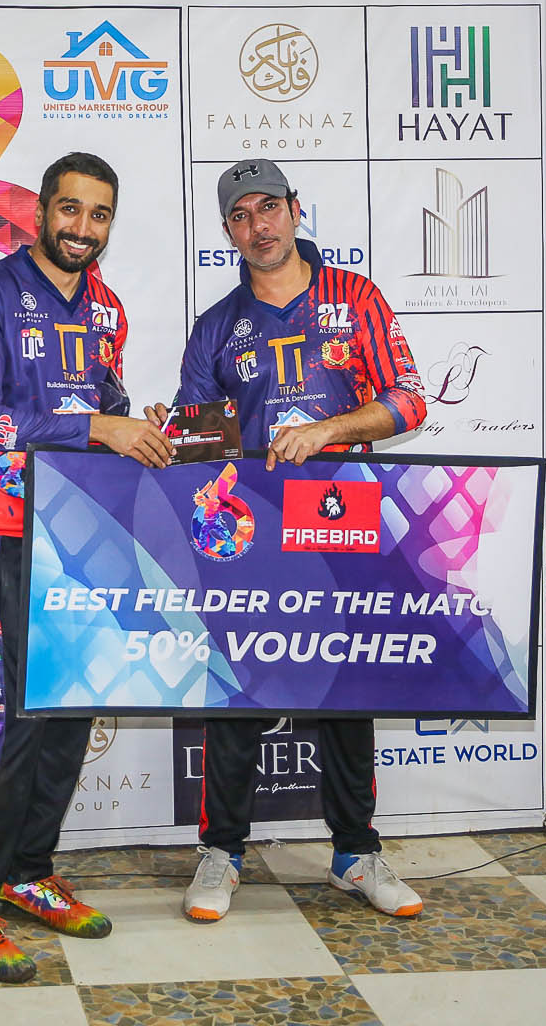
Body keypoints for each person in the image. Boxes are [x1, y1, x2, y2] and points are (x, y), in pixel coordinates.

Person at [145, 158, 428, 923]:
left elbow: (409, 401)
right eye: (241, 216)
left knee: (349, 691)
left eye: (268, 207)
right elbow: (200, 440)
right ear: (228, 230)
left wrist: (328, 431)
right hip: (251, 535)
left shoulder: (355, 297)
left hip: (344, 518)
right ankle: (222, 853)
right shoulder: (217, 326)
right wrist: (172, 430)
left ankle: (356, 853)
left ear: (295, 210)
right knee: (237, 690)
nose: (258, 226)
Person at [0, 152, 174, 983]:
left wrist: (135, 426)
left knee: (73, 705)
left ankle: (29, 872)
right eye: (69, 209)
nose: (82, 228)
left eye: (99, 215)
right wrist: (99, 429)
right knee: (20, 714)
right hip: (10, 526)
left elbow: (107, 407)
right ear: (40, 211)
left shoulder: (107, 309)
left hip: (86, 527)